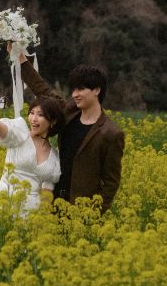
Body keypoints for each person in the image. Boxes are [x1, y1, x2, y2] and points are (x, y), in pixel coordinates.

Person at [17, 54, 124, 213]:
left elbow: (111, 183)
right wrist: (21, 61)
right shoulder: (69, 112)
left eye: (80, 89)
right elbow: (43, 92)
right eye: (73, 89)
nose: (74, 94)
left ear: (96, 90)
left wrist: (93, 214)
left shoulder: (110, 133)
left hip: (80, 211)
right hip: (51, 202)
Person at [0, 92, 64, 216]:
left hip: (30, 212)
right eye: (32, 113)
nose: (33, 119)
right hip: (3, 202)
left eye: (40, 115)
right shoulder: (20, 134)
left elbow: (47, 192)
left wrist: (42, 222)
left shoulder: (54, 156)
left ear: (53, 121)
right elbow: (2, 130)